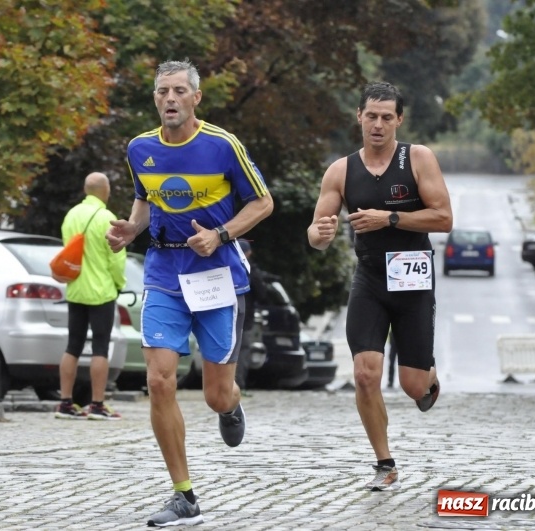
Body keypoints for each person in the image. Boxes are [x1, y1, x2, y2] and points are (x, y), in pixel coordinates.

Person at [106, 59, 273, 527]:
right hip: (164, 273)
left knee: (215, 394)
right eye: (163, 91)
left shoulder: (223, 145)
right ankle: (184, 495)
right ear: (155, 98)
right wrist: (131, 228)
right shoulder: (140, 148)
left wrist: (220, 235)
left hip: (216, 274)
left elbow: (263, 202)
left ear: (196, 98)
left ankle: (231, 404)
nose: (171, 98)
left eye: (180, 91)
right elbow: (145, 198)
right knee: (159, 380)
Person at [307, 81, 453, 492]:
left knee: (413, 386)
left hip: (412, 278)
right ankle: (384, 462)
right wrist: (320, 233)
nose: (378, 124)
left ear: (398, 120)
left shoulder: (417, 158)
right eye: (371, 116)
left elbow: (444, 218)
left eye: (387, 117)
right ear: (359, 116)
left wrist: (389, 218)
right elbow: (316, 234)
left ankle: (428, 376)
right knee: (365, 374)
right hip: (370, 278)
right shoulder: (340, 171)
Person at [54, 172, 126, 421]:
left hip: (75, 289)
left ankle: (65, 402)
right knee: (100, 347)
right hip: (101, 292)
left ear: (86, 190)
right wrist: (119, 284)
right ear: (105, 190)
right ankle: (97, 404)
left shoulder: (71, 215)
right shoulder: (107, 218)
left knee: (72, 345)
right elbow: (116, 260)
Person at [235, 239, 267, 393]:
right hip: (245, 318)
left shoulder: (226, 266)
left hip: (225, 316)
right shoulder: (251, 271)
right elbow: (262, 294)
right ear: (248, 253)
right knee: (242, 350)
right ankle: (238, 386)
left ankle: (226, 386)